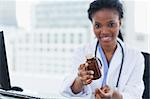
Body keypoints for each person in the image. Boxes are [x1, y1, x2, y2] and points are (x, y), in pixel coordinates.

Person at [60, 0, 145, 99]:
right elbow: (70, 91)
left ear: (120, 23)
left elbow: (135, 94)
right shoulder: (81, 52)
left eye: (111, 24)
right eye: (98, 25)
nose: (104, 31)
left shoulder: (135, 56)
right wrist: (80, 80)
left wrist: (114, 95)